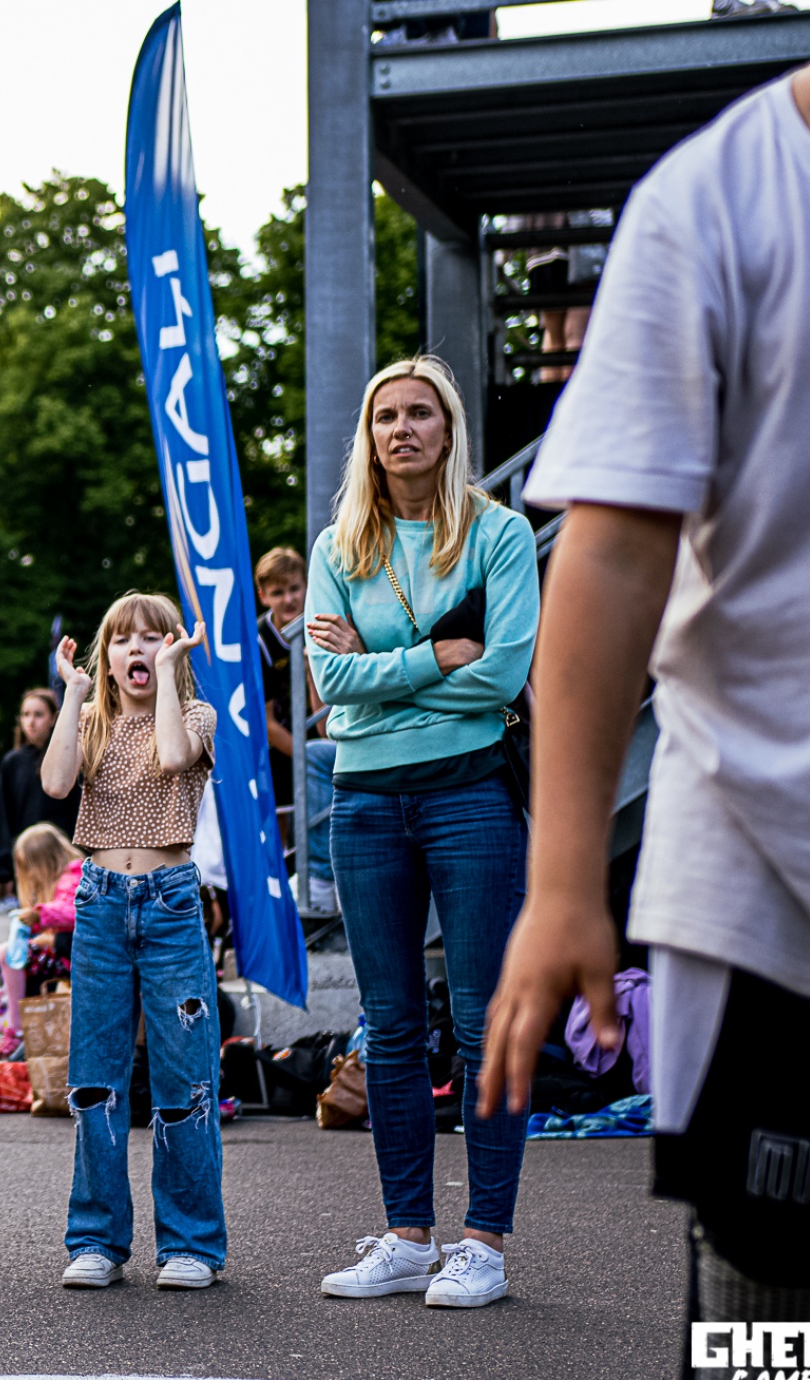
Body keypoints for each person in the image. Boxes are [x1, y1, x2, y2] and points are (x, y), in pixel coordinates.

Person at [482, 6, 810, 1380]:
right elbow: (610, 556)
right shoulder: (719, 202)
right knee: (778, 1372)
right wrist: (561, 885)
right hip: (784, 905)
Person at [304, 357, 537, 1308]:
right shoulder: (338, 546)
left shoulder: (498, 533)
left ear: (448, 430)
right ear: (368, 436)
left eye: (419, 413)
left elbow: (503, 674)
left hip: (470, 795)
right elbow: (330, 687)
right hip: (363, 802)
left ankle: (482, 1242)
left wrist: (383, 668)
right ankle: (406, 1237)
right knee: (391, 1025)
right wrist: (434, 657)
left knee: (483, 1023)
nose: (401, 429)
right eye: (385, 416)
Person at [37, 593, 221, 1291]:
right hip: (100, 904)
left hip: (170, 901)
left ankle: (190, 1244)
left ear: (173, 651)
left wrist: (168, 677)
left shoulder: (194, 715)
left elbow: (173, 756)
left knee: (184, 1076)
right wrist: (72, 694)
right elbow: (56, 782)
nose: (137, 649)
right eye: (123, 640)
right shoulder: (90, 720)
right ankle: (96, 1239)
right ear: (106, 657)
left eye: (153, 638)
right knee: (95, 1078)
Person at [253, 547, 337, 914]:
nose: (288, 599)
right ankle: (285, 907)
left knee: (323, 819)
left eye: (294, 589)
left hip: (315, 742)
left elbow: (325, 724)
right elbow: (267, 724)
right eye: (278, 592)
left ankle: (321, 888)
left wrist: (310, 671)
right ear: (263, 596)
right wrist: (306, 757)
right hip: (279, 750)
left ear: (307, 585)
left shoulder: (323, 625)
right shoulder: (259, 641)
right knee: (283, 830)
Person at [0, 822, 82, 1060]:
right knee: (9, 955)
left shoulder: (73, 875)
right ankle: (17, 1024)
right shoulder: (70, 875)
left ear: (44, 860)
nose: (30, 875)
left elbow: (73, 910)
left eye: (30, 866)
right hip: (68, 952)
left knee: (10, 956)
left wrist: (39, 915)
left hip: (74, 956)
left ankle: (15, 1027)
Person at [0, 688, 81, 901]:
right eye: (26, 714)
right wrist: (4, 861)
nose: (31, 722)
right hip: (27, 857)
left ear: (53, 718)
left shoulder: (69, 757)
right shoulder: (13, 762)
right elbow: (3, 814)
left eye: (38, 714)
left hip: (64, 857)